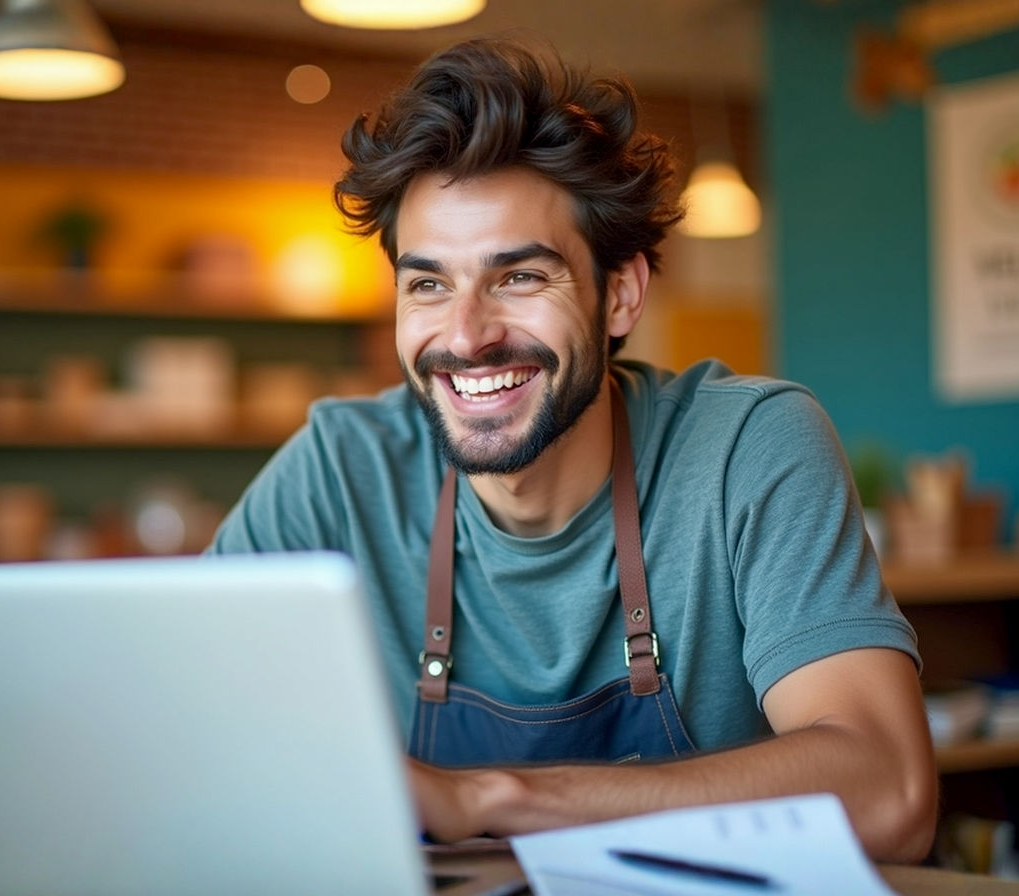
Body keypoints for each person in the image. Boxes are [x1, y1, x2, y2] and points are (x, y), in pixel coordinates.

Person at [207, 37, 937, 862]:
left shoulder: (747, 446)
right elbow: (176, 728)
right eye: (428, 284)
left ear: (619, 292)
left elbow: (891, 792)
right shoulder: (340, 470)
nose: (467, 336)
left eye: (519, 277)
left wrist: (487, 797)